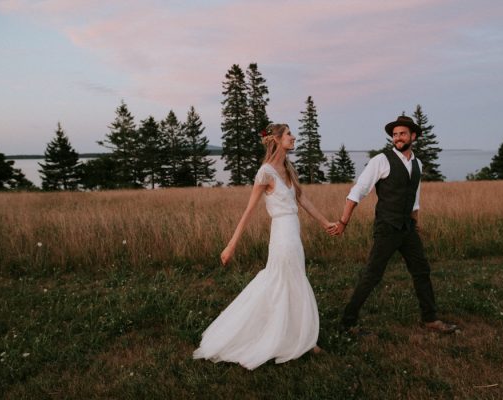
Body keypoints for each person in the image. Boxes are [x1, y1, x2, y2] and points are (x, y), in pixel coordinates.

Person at [193, 123, 336, 370]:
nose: (293, 137)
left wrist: (325, 223)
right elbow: (249, 211)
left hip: (294, 234)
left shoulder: (288, 169)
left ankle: (300, 337)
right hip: (281, 235)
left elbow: (302, 199)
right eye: (289, 134)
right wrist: (231, 246)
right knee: (284, 282)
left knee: (294, 280)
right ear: (277, 139)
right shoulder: (265, 172)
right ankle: (296, 339)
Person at [329, 115, 459, 334]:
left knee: (421, 270)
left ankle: (430, 319)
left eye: (402, 134)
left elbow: (415, 197)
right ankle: (347, 323)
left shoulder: (417, 163)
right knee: (372, 274)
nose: (397, 138)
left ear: (413, 136)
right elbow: (358, 191)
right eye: (395, 134)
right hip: (387, 227)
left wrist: (415, 223)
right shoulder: (381, 160)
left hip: (408, 229)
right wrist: (343, 221)